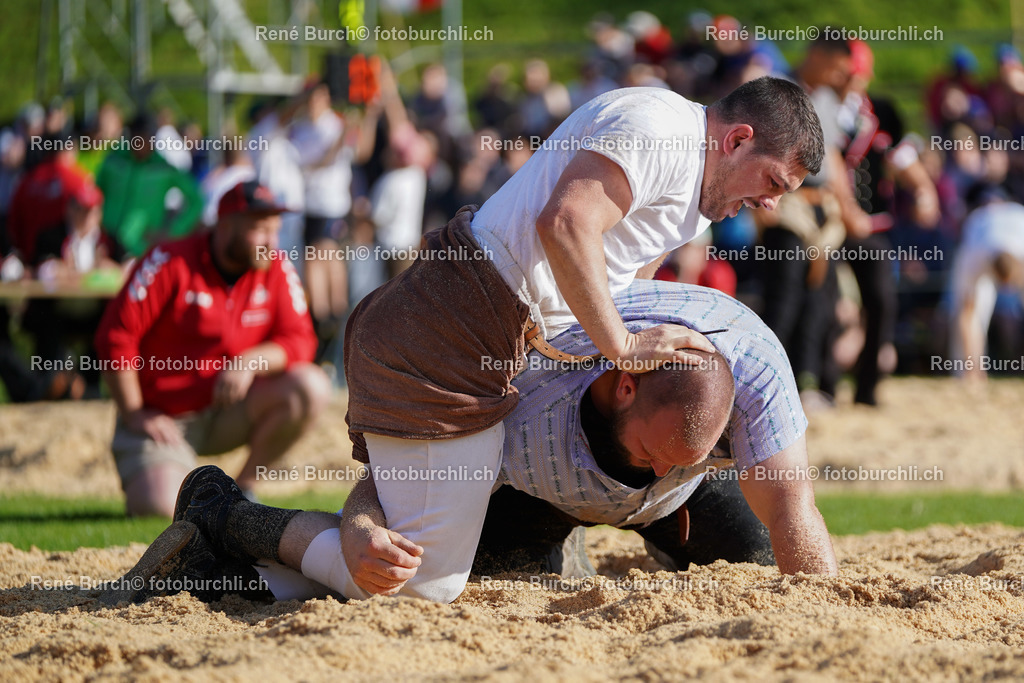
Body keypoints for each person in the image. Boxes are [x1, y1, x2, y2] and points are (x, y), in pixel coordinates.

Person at [104, 77, 825, 603]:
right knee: (420, 587)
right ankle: (225, 513)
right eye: (772, 181)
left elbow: (588, 283)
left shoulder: (688, 180)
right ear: (736, 138)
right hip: (448, 333)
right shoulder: (660, 130)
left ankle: (218, 570)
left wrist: (610, 349)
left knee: (411, 570)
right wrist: (623, 346)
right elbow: (564, 223)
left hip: (485, 339)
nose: (769, 203)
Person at [100, 278, 838, 606]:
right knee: (413, 582)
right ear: (622, 384)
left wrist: (825, 616)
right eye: (652, 456)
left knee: (754, 560)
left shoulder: (755, 372)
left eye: (688, 458)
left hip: (655, 492)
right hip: (531, 484)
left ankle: (595, 526)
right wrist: (359, 525)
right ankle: (228, 516)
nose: (660, 471)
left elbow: (794, 508)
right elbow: (399, 470)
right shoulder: (525, 383)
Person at [94, 180, 331, 517]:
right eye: (260, 230)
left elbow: (301, 340)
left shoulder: (276, 266)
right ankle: (174, 475)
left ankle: (243, 491)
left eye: (275, 230)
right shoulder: (169, 260)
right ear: (225, 226)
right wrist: (134, 412)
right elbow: (116, 336)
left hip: (229, 410)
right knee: (160, 506)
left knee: (312, 386)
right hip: (163, 418)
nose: (272, 242)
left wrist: (250, 361)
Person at [95, 113, 203, 259]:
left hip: (141, 249)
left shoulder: (163, 169)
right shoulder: (114, 161)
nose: (141, 143)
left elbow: (196, 201)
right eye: (136, 137)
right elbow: (96, 193)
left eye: (146, 137)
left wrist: (172, 233)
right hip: (105, 244)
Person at [949, 183, 1024, 384]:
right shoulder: (974, 257)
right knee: (972, 313)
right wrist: (973, 368)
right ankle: (969, 372)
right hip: (978, 240)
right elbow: (967, 316)